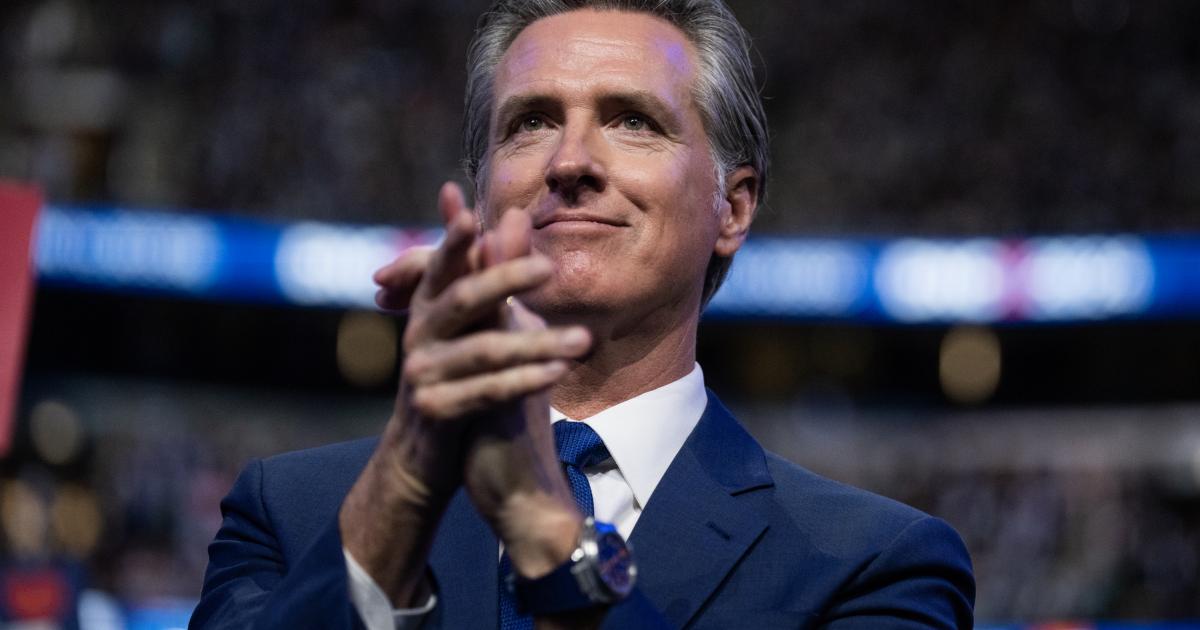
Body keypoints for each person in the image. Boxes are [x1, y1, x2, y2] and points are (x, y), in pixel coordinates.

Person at [191, 1, 975, 628]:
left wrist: (547, 530)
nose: (569, 162)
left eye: (633, 119)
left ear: (733, 207)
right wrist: (400, 489)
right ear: (483, 195)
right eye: (530, 122)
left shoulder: (875, 564)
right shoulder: (288, 514)